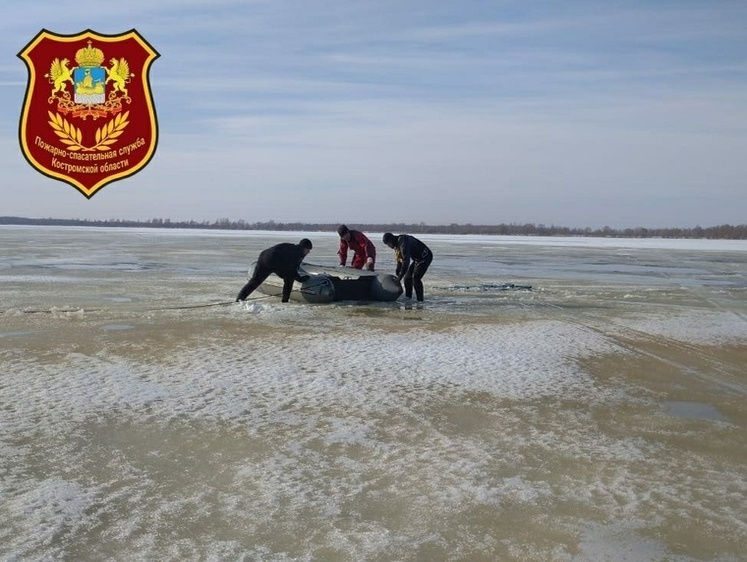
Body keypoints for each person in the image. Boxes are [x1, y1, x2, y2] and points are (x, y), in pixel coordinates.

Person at [236, 238, 312, 303]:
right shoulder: (296, 253)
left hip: (264, 256)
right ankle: (285, 301)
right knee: (289, 278)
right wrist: (301, 279)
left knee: (254, 281)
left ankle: (239, 299)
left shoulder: (293, 248)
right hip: (273, 260)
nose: (309, 252)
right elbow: (292, 271)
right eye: (308, 250)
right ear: (303, 248)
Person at [382, 232, 433, 302]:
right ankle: (408, 297)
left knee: (416, 278)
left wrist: (399, 277)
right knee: (407, 278)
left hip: (425, 257)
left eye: (388, 244)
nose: (389, 246)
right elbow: (400, 258)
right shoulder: (397, 244)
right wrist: (398, 269)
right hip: (417, 259)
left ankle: (420, 301)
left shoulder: (403, 243)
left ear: (391, 241)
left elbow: (406, 261)